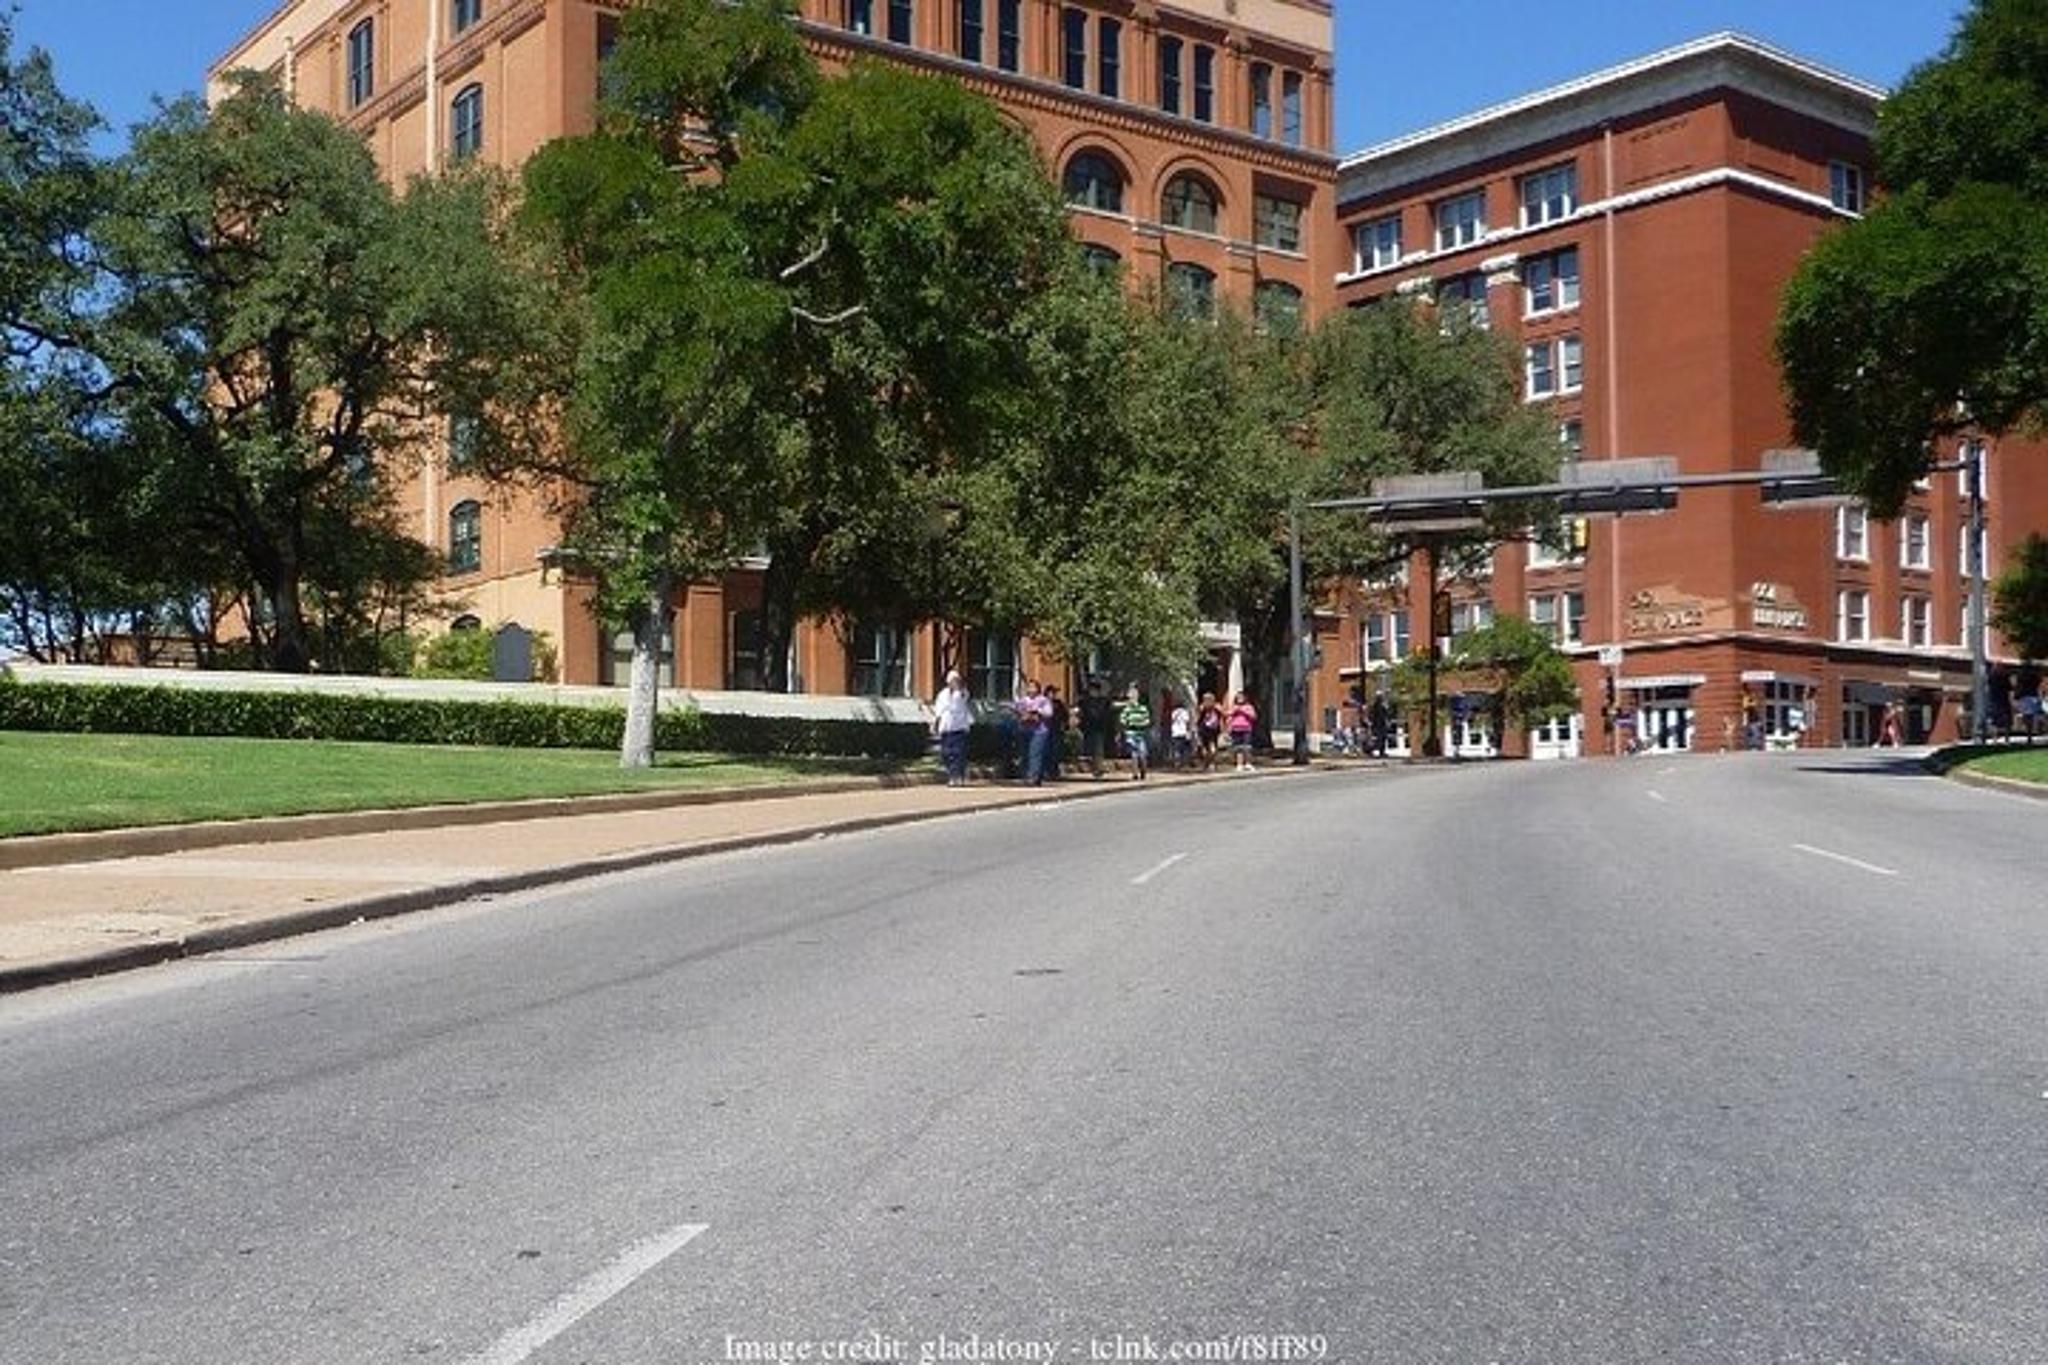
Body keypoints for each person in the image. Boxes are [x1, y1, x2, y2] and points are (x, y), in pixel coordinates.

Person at [932, 669, 975, 787]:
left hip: (959, 728)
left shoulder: (962, 693)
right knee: (946, 753)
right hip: (946, 727)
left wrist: (959, 688)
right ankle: (952, 774)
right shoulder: (943, 694)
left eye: (956, 680)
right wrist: (935, 722)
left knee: (958, 753)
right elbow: (938, 710)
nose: (954, 682)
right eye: (952, 680)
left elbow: (964, 696)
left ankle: (957, 777)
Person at [1014, 679, 1052, 785]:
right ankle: (1026, 775)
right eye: (1029, 687)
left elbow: (1049, 713)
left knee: (1035, 753)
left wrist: (1038, 711)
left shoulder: (1043, 700)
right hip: (1025, 730)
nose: (1031, 690)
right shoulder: (1023, 700)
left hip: (1039, 731)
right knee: (1024, 754)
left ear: (1038, 689)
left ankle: (1034, 777)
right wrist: (1020, 713)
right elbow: (1017, 711)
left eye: (1033, 687)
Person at [1118, 683, 1153, 780]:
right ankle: (1135, 773)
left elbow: (1147, 720)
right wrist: (1127, 724)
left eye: (1134, 697)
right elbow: (1123, 720)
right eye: (1130, 697)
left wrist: (1141, 724)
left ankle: (1143, 770)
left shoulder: (1143, 709)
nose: (1132, 699)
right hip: (1131, 733)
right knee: (1134, 754)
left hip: (1141, 734)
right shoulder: (1127, 709)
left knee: (1142, 753)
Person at [1078, 678, 1111, 780]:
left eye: (1095, 689)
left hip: (1099, 728)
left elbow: (1106, 714)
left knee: (1098, 749)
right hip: (1088, 728)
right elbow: (1081, 713)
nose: (1093, 691)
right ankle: (1094, 767)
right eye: (1091, 689)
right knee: (1089, 749)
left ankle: (1098, 769)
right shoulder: (1084, 701)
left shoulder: (1104, 701)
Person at [1044, 684, 1069, 780]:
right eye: (1052, 692)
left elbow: (1065, 715)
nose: (1054, 694)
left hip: (1056, 730)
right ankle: (1046, 771)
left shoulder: (1058, 703)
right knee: (1046, 751)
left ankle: (1054, 772)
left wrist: (1065, 726)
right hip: (1045, 729)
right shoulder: (1042, 702)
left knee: (1055, 752)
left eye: (1055, 693)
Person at [1227, 691, 1257, 772]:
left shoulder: (1248, 707)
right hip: (1235, 729)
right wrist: (1229, 727)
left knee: (1247, 747)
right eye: (1238, 698)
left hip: (1246, 729)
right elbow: (1228, 716)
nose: (1240, 699)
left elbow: (1253, 716)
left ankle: (1248, 763)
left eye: (1241, 698)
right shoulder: (1234, 707)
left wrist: (1244, 712)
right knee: (1238, 748)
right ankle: (1239, 764)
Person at [1196, 692, 1224, 771]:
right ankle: (1210, 764)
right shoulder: (1207, 707)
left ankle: (1209, 764)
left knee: (1208, 747)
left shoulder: (1213, 707)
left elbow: (1197, 719)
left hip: (1209, 729)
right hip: (1208, 729)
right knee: (1209, 747)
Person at [1168, 695, 1193, 769]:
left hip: (1175, 732)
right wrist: (1189, 731)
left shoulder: (1174, 712)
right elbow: (1187, 722)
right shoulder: (1185, 712)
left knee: (1176, 748)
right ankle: (1183, 762)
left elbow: (1172, 721)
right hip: (1183, 732)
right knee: (1184, 749)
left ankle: (1177, 762)